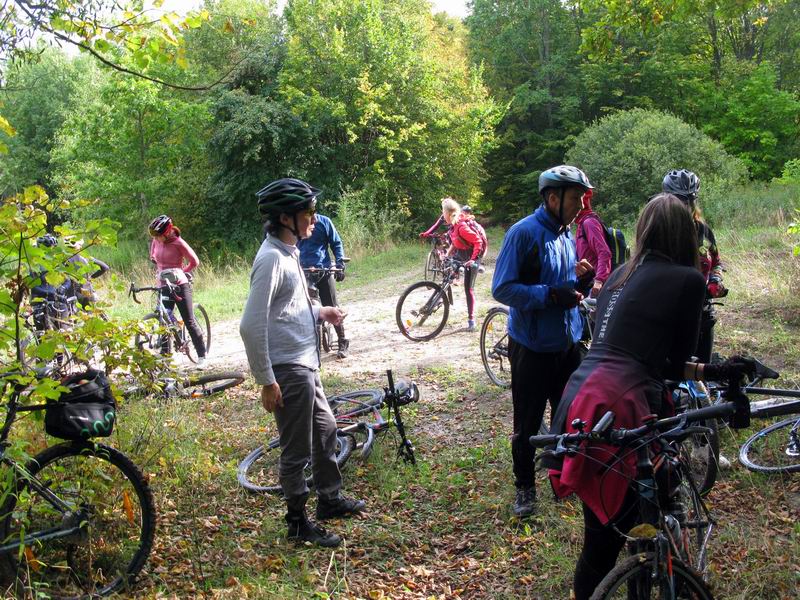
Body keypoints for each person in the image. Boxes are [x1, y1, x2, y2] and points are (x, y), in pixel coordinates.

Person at [547, 194, 746, 600]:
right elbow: (676, 363)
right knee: (634, 516)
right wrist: (714, 368)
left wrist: (712, 372)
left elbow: (640, 352)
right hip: (622, 401)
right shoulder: (688, 280)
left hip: (580, 395)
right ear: (684, 234)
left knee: (600, 540)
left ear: (643, 231)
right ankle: (655, 575)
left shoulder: (620, 274)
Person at [239, 177, 365, 548]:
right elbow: (251, 324)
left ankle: (329, 500)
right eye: (307, 213)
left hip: (305, 362)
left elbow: (289, 307)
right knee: (295, 449)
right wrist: (266, 379)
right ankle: (297, 523)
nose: (313, 218)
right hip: (288, 367)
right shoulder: (270, 259)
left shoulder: (289, 252)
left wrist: (321, 310)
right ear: (284, 218)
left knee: (325, 429)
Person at [491, 165, 595, 517]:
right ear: (553, 198)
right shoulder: (523, 233)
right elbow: (503, 288)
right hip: (532, 348)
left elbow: (560, 283)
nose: (582, 205)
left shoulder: (567, 233)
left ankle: (561, 477)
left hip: (567, 344)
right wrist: (550, 295)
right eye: (576, 198)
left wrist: (578, 279)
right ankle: (524, 487)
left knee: (569, 417)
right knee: (527, 423)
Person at [662, 169, 726, 363]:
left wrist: (715, 280)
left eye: (688, 201)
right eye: (678, 201)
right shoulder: (659, 230)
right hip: (667, 314)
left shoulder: (703, 232)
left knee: (702, 371)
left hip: (701, 312)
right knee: (671, 374)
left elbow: (716, 262)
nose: (684, 206)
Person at [148, 215, 207, 367]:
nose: (156, 239)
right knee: (164, 319)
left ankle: (202, 356)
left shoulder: (179, 243)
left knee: (189, 321)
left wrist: (181, 272)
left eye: (158, 236)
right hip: (163, 284)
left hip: (180, 285)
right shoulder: (156, 240)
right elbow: (153, 255)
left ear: (167, 232)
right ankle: (166, 359)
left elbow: (195, 261)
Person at [298, 213, 350, 359]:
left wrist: (340, 264)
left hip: (324, 269)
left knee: (331, 304)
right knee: (302, 307)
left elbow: (336, 243)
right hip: (303, 271)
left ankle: (342, 340)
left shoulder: (324, 222)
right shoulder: (297, 225)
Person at [442, 198, 483, 331]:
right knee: (448, 279)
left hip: (472, 256)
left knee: (468, 289)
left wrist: (473, 259)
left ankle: (471, 320)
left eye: (443, 212)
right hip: (460, 254)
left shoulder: (462, 226)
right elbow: (455, 241)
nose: (442, 215)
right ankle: (436, 301)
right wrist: (447, 254)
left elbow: (478, 242)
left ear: (448, 213)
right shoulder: (453, 225)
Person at [574, 189, 612, 297]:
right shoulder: (581, 224)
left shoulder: (589, 223)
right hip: (586, 282)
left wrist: (599, 280)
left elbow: (604, 252)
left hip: (595, 286)